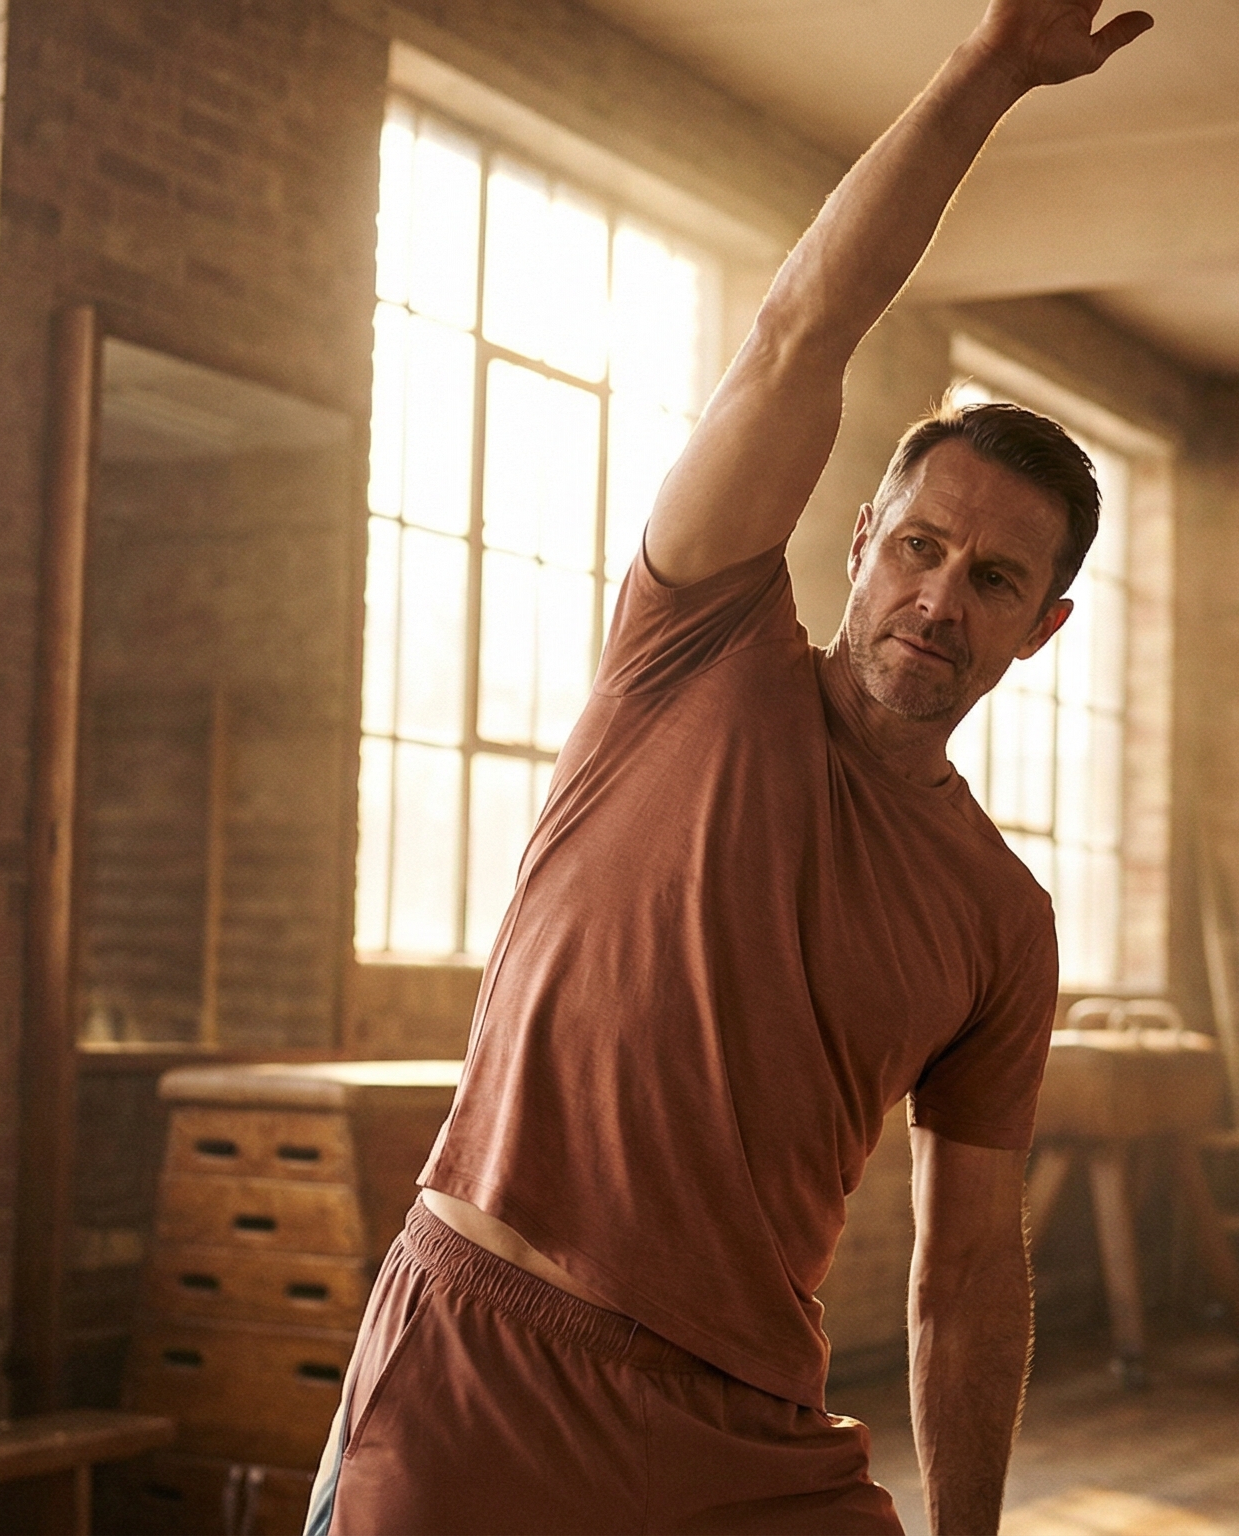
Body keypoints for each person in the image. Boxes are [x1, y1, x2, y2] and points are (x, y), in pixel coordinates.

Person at [309, 2, 1153, 1531]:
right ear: (862, 540)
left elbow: (969, 1270)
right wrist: (986, 74)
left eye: (993, 581)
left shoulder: (1000, 921)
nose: (939, 600)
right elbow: (798, 333)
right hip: (487, 1366)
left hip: (747, 1434)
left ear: (1043, 628)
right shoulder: (696, 642)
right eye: (920, 548)